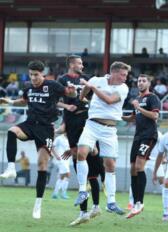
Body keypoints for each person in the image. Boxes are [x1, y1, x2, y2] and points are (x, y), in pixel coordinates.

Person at [0, 60, 77, 219]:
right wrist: (10, 101)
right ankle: (11, 168)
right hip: (29, 124)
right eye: (31, 75)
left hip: (45, 128)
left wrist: (73, 92)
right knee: (12, 131)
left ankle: (38, 203)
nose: (33, 78)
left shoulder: (53, 85)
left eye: (36, 75)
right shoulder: (28, 86)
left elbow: (70, 94)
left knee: (42, 165)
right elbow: (24, 100)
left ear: (43, 74)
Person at [72, 61, 130, 222]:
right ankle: (83, 190)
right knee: (81, 153)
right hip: (92, 125)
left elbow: (109, 100)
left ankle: (111, 202)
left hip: (110, 130)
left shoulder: (123, 88)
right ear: (114, 72)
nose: (125, 78)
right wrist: (82, 96)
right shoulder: (97, 80)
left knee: (110, 165)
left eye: (126, 75)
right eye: (123, 75)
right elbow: (86, 88)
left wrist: (91, 87)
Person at [58, 55, 105, 225]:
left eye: (82, 63)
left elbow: (94, 97)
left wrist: (87, 100)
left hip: (87, 120)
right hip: (72, 123)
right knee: (82, 169)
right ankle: (85, 211)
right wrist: (66, 106)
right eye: (79, 63)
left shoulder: (85, 80)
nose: (82, 65)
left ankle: (96, 205)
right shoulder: (62, 80)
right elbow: (55, 100)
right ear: (71, 64)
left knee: (93, 159)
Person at [122, 74, 161, 219]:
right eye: (139, 81)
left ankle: (140, 203)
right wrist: (117, 116)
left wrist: (139, 107)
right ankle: (135, 202)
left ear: (149, 83)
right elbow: (133, 117)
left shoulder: (152, 98)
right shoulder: (137, 99)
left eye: (144, 81)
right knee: (132, 169)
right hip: (137, 136)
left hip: (149, 136)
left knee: (139, 166)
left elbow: (155, 116)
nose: (140, 83)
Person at [128, 131, 165, 209]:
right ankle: (131, 203)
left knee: (162, 180)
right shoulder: (141, 132)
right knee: (136, 177)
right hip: (143, 158)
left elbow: (164, 146)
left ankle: (167, 205)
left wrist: (164, 158)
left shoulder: (158, 134)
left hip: (155, 160)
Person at [51, 134, 71, 199]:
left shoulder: (70, 138)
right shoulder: (59, 138)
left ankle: (55, 193)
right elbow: (51, 147)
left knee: (61, 177)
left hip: (67, 160)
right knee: (67, 174)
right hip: (61, 160)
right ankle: (63, 193)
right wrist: (56, 156)